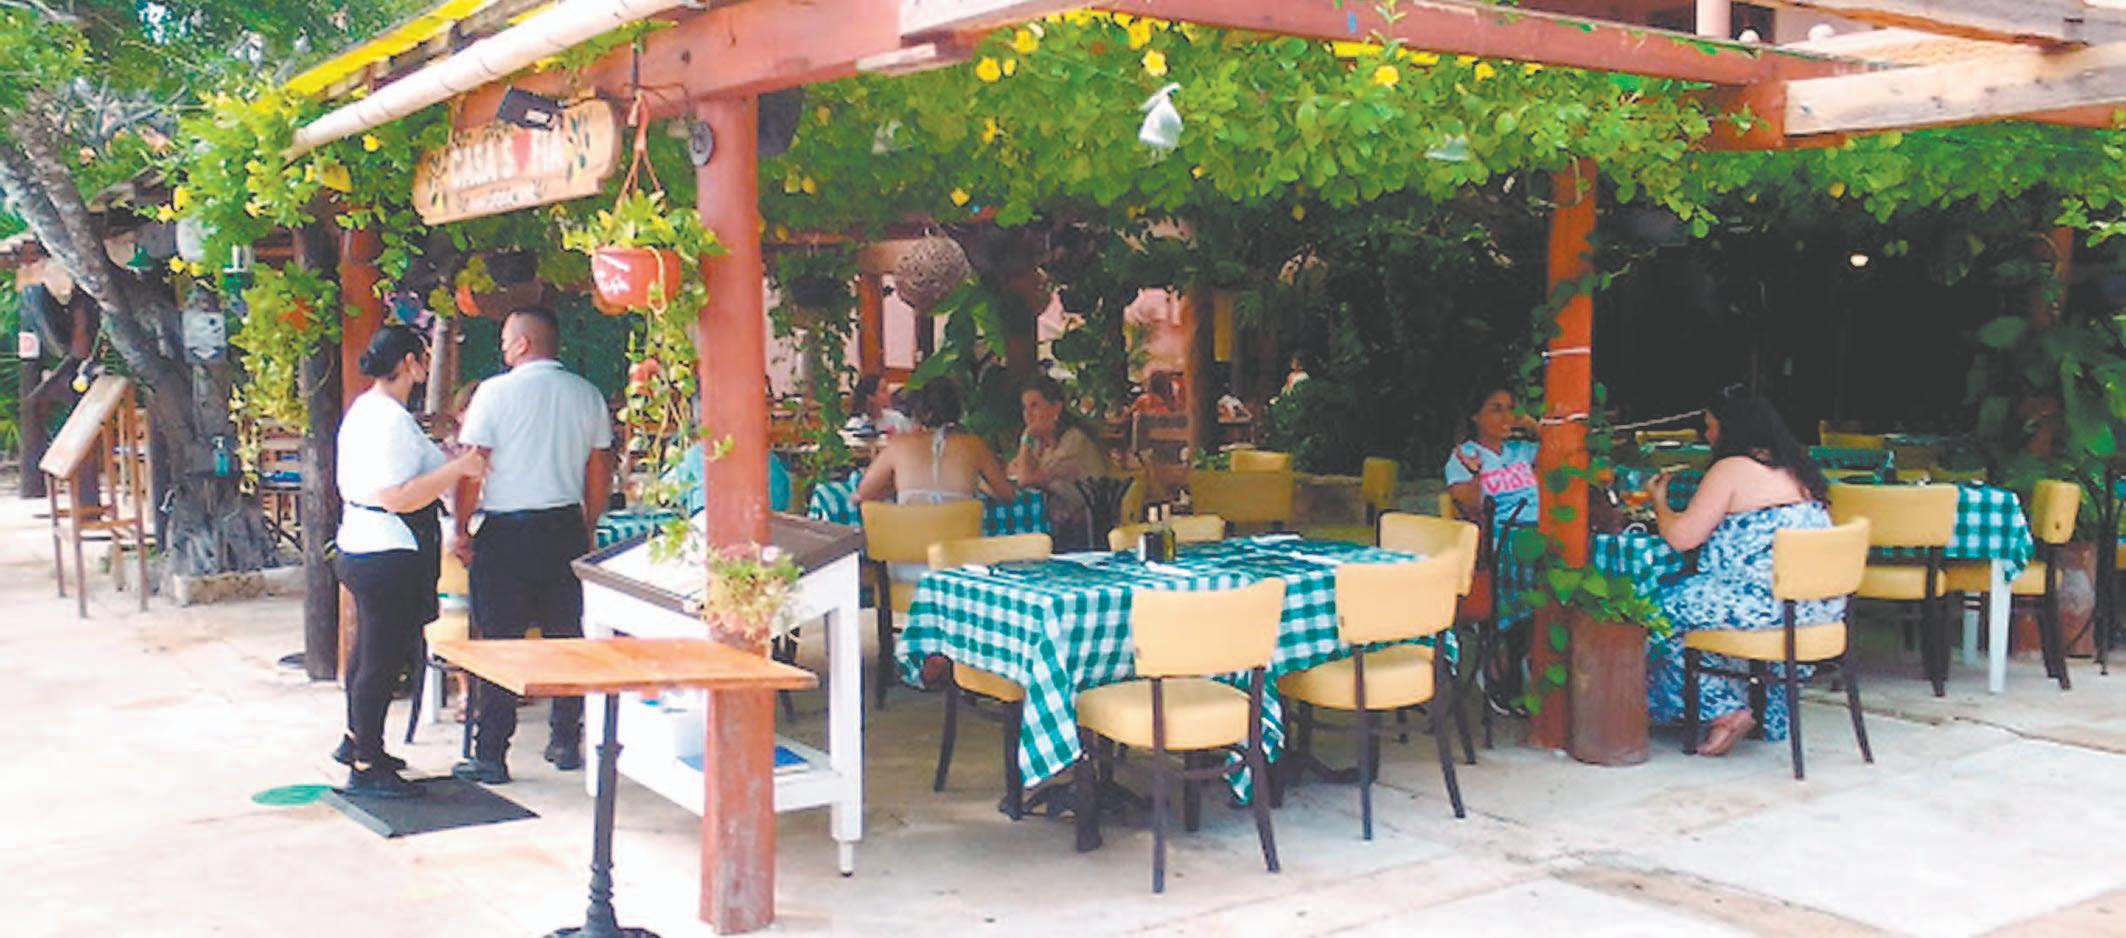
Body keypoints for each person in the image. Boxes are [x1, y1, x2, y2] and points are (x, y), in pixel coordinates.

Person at [450, 307, 615, 785]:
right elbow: (599, 470)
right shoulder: (586, 394)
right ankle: (564, 740)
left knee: (499, 643)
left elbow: (472, 467)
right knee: (567, 638)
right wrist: (588, 523)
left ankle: (491, 753)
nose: (502, 347)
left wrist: (461, 526)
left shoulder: (493, 394)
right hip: (564, 526)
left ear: (522, 344)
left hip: (506, 531)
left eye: (506, 339)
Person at [333, 325, 487, 798]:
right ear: (408, 363)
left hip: (364, 543)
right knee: (381, 660)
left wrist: (446, 455)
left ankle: (361, 741)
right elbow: (396, 496)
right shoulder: (388, 421)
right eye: (422, 357)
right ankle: (365, 763)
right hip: (386, 546)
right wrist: (458, 468)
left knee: (369, 654)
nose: (426, 366)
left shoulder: (372, 410)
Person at [1645, 387, 1840, 757]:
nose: (1707, 435)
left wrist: (1659, 503)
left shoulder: (1731, 469)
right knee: (1698, 612)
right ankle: (1763, 714)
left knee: (1653, 609)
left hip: (1763, 605)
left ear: (1730, 428)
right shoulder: (1798, 470)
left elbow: (1682, 538)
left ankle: (1724, 710)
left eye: (1710, 426)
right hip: (1815, 608)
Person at [855, 380, 1014, 506]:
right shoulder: (974, 446)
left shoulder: (899, 445)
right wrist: (978, 483)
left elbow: (863, 494)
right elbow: (1007, 495)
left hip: (909, 536)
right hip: (961, 535)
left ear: (919, 410)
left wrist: (898, 487)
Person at [1009, 376, 1110, 546]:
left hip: (1082, 528)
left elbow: (1025, 480)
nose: (1028, 414)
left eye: (1034, 406)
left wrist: (1026, 437)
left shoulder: (1074, 441)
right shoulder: (1042, 442)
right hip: (1057, 521)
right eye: (1025, 408)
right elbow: (1013, 471)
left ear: (1056, 408)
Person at [1445, 387, 1541, 530]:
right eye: (1496, 410)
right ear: (1475, 416)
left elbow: (1559, 449)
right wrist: (1476, 475)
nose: (1507, 416)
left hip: (1542, 527)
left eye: (1510, 409)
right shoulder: (1464, 456)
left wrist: (1531, 425)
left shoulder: (1522, 449)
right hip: (1505, 533)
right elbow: (1469, 512)